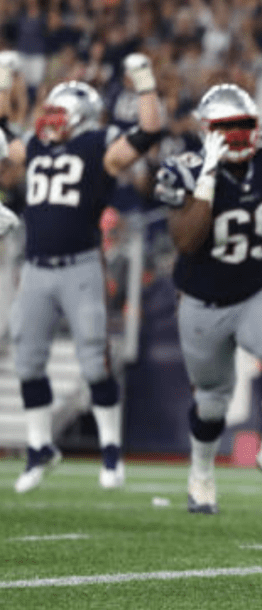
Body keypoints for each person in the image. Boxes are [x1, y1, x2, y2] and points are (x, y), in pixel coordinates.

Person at [0, 54, 163, 493]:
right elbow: (3, 134)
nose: (49, 120)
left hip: (81, 266)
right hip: (36, 268)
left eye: (58, 113)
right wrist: (3, 83)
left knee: (95, 360)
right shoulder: (37, 147)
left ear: (82, 117)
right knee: (27, 359)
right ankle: (39, 448)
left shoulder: (96, 146)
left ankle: (110, 451)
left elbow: (148, 132)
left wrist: (145, 83)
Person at [153, 83, 262, 514]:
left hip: (258, 289)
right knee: (211, 403)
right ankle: (201, 474)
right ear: (206, 131)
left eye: (244, 124)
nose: (238, 134)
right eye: (227, 127)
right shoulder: (184, 171)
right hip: (203, 303)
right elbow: (187, 241)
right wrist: (208, 175)